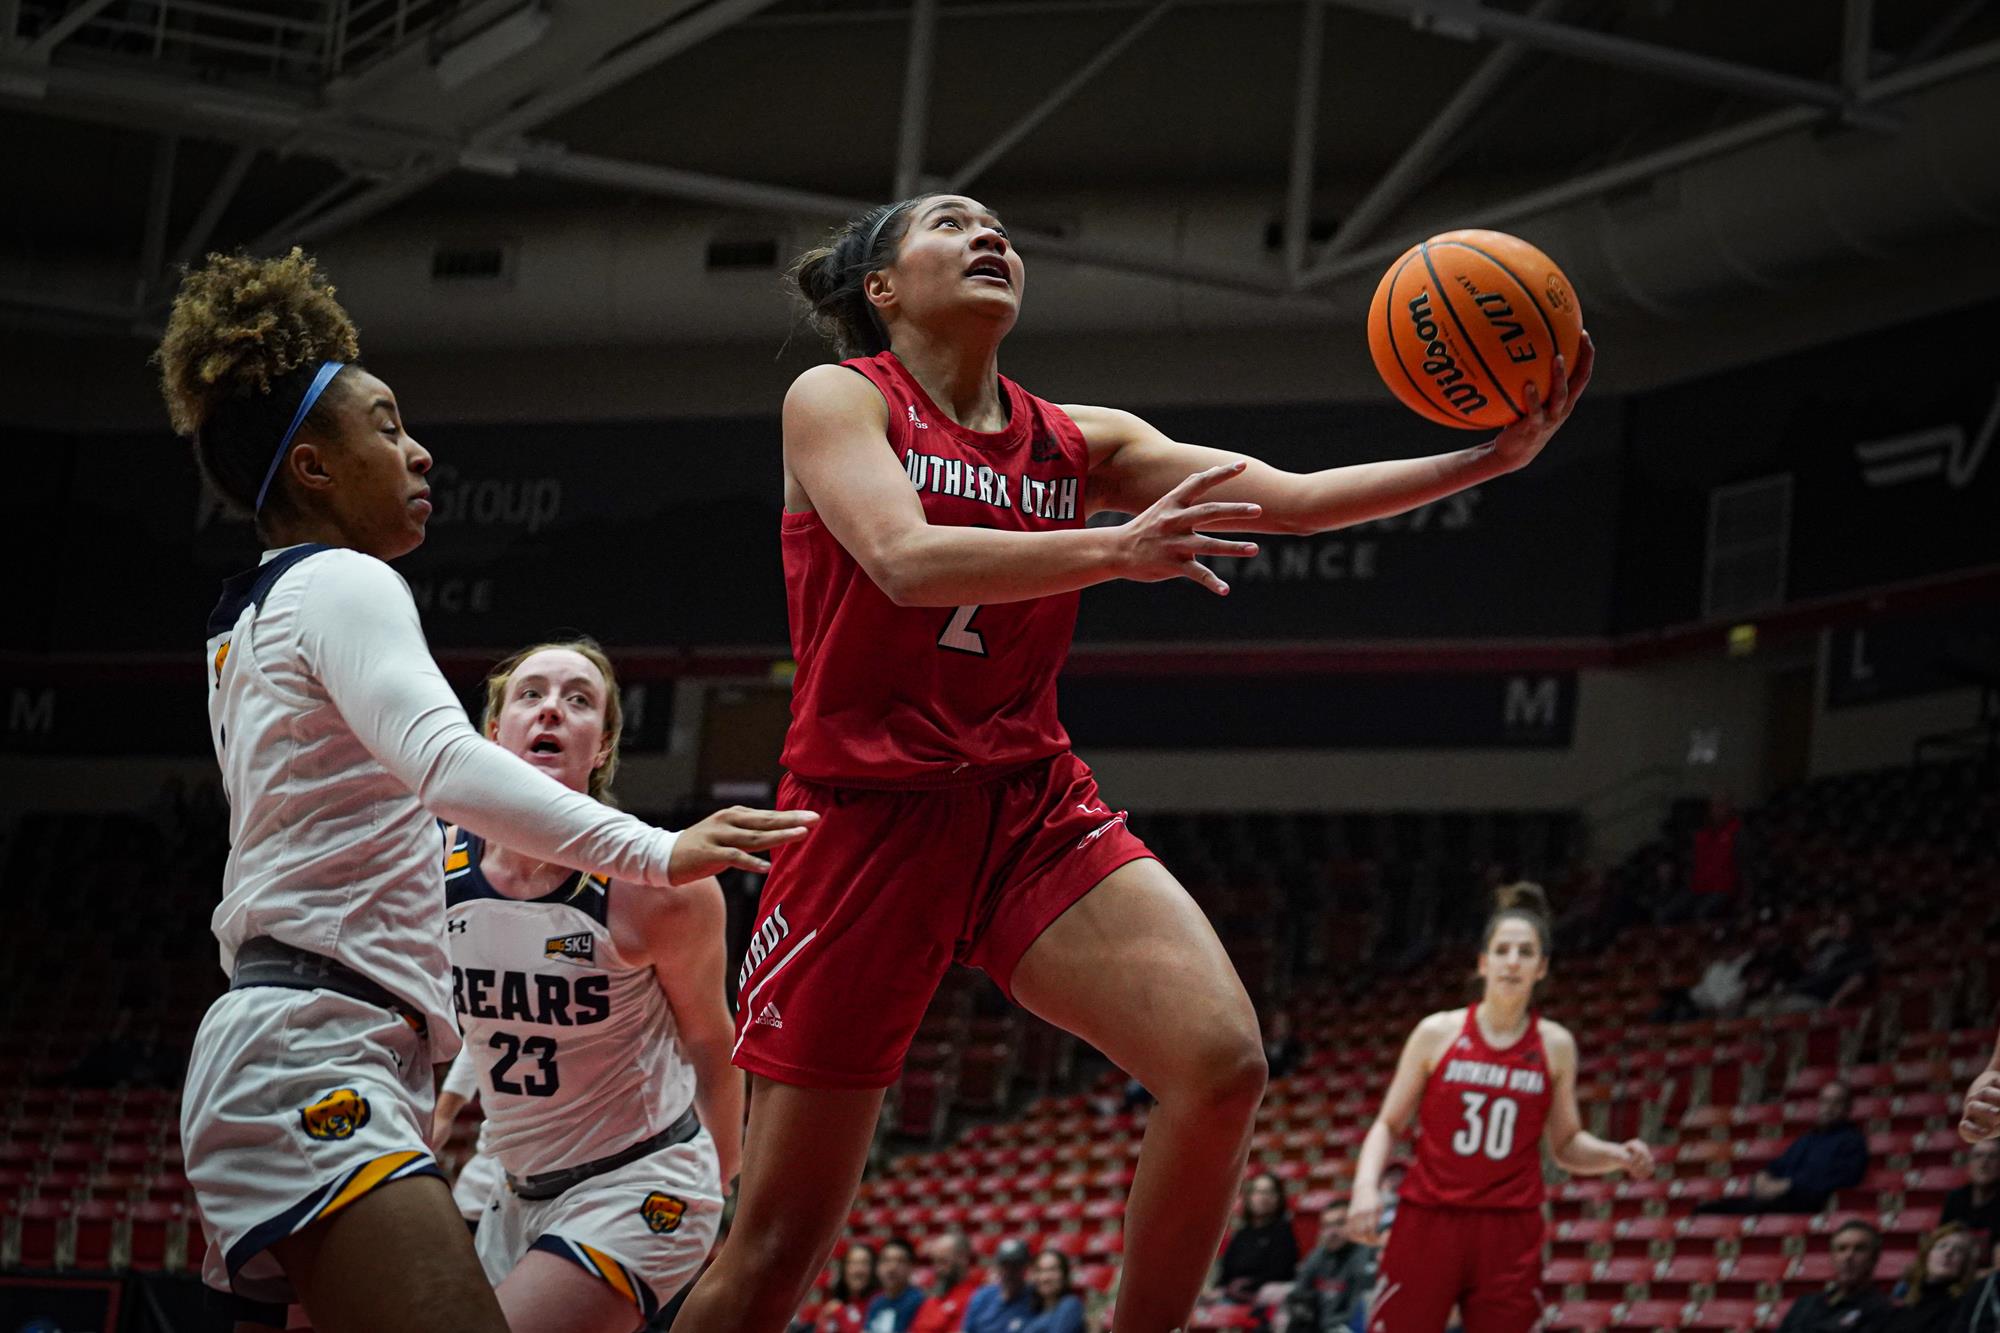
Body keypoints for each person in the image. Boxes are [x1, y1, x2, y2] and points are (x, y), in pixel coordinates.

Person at [677, 192, 1595, 1333]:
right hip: (862, 818)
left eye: (1000, 227)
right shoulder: (836, 399)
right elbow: (903, 561)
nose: (990, 236)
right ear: (880, 288)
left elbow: (1293, 502)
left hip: (1024, 801)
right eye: (952, 223)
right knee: (770, 1253)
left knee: (1220, 1066)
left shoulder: (1080, 440)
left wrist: (1489, 459)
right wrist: (1113, 550)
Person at [157, 250, 815, 1333]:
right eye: (384, 424)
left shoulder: (263, 610)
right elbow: (448, 761)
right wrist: (656, 847)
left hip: (334, 1050)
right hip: (315, 1044)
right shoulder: (341, 578)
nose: (417, 449)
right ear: (314, 470)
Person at [441, 639, 746, 1331]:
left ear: (601, 747)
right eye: (531, 693)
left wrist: (718, 1185)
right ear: (492, 733)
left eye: (578, 699)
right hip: (509, 1181)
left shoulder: (660, 887)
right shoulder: (431, 864)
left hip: (637, 1179)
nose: (552, 707)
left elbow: (710, 1040)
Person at [1347, 885, 1653, 1333]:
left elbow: (1566, 1145)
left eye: (1526, 952)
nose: (1513, 961)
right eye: (1503, 950)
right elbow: (1388, 1124)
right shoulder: (1437, 1033)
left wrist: (1615, 1155)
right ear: (1483, 962)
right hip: (1430, 1219)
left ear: (1541, 968)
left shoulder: (1556, 1045)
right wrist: (1364, 1189)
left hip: (1511, 1228)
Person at [1696, 1082, 1868, 1215]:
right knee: (1706, 1210)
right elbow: (1779, 1165)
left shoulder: (1852, 1142)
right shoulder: (1808, 1138)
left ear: (1848, 1108)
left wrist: (1789, 1186)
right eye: (1825, 1101)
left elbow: (1844, 1177)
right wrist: (1764, 1176)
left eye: (1836, 1102)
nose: (1828, 1108)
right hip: (1776, 1199)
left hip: (1805, 1204)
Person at [1776, 1221, 1893, 1333]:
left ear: (1874, 1257)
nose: (1848, 1256)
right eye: (1841, 1249)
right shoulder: (1805, 1304)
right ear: (1832, 1257)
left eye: (1859, 1249)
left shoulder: (1884, 1311)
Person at [1285, 1200, 1376, 1333]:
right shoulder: (1317, 1255)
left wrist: (1320, 1325)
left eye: (1340, 1223)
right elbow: (1298, 1295)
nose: (1332, 1232)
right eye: (1326, 1226)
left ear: (1354, 1224)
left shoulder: (1365, 1256)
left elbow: (1357, 1315)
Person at [1218, 1173, 1299, 1302]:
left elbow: (1281, 1273)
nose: (1263, 1197)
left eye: (1269, 1192)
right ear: (1249, 1197)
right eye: (1258, 1192)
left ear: (1278, 1198)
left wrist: (1248, 1284)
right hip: (1230, 1297)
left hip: (1264, 1298)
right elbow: (1225, 1272)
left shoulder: (1283, 1231)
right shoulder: (1241, 1234)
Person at [1887, 1226, 1978, 1333]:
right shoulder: (1904, 1293)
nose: (1948, 1252)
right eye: (1942, 1246)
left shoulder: (1964, 1305)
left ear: (1965, 1264)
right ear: (1927, 1254)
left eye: (1958, 1250)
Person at [912, 1232, 984, 1333]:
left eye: (943, 1261)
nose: (937, 1269)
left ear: (962, 1258)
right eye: (935, 1262)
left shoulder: (976, 1298)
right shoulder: (930, 1300)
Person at [962, 1239, 1037, 1333]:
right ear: (997, 1267)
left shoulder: (1036, 1299)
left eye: (1015, 1265)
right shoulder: (982, 1297)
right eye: (1005, 1265)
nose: (1010, 1272)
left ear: (1025, 1267)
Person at [806, 1244, 880, 1333]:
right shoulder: (836, 1302)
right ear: (844, 1268)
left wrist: (840, 1314)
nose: (858, 1270)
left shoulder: (880, 1303)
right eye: (853, 1263)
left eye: (864, 1263)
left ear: (873, 1268)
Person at [866, 1240, 931, 1332]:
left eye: (900, 1261)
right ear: (877, 1267)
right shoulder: (875, 1302)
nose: (892, 1268)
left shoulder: (920, 1302)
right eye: (886, 1260)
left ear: (911, 1267)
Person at [1945, 1142, 2000, 1243]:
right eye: (1978, 1156)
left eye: (1992, 1157)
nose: (1984, 1163)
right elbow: (1943, 1237)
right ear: (1969, 1164)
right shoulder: (1955, 1198)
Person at [1021, 1251, 1086, 1333]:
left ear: (1064, 1275)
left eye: (1052, 1270)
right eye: (1040, 1271)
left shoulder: (1070, 1306)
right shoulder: (1031, 1309)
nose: (1045, 1277)